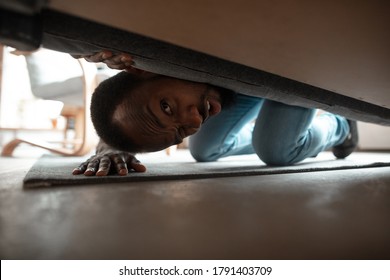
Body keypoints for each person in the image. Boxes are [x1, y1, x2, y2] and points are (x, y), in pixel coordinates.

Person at [72, 51, 358, 176]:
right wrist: (110, 146)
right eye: (179, 133)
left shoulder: (150, 51)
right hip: (235, 87)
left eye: (166, 106)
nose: (195, 120)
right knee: (204, 150)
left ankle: (340, 125)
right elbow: (124, 114)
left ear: (144, 69)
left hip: (287, 69)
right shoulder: (196, 103)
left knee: (275, 152)